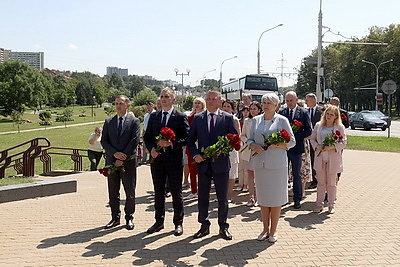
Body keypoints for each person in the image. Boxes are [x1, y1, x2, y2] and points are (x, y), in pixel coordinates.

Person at [187, 89, 238, 240]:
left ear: (220, 101)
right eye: (208, 98)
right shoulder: (198, 118)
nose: (210, 101)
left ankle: (223, 226)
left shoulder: (228, 118)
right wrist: (195, 154)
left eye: (213, 99)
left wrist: (222, 150)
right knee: (203, 197)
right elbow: (190, 139)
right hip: (203, 164)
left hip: (221, 164)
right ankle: (204, 225)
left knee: (222, 198)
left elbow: (234, 140)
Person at [248, 93, 295, 243]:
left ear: (276, 105)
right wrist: (253, 145)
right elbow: (249, 139)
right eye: (264, 102)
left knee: (275, 199)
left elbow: (291, 141)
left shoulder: (282, 120)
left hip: (277, 165)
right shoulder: (255, 120)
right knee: (263, 198)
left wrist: (277, 144)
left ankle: (273, 231)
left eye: (269, 103)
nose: (265, 105)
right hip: (260, 164)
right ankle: (264, 229)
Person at [144, 88, 189, 236]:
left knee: (176, 192)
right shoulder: (154, 116)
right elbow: (147, 136)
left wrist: (172, 144)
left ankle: (178, 223)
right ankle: (159, 222)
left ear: (173, 99)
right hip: (157, 161)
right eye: (162, 96)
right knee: (158, 192)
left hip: (174, 161)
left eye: (167, 96)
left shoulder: (180, 116)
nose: (163, 99)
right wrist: (151, 149)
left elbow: (187, 138)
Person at [101, 95, 141, 230]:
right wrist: (114, 154)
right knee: (113, 191)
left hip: (128, 162)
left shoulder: (134, 121)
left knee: (129, 191)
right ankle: (115, 217)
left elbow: (134, 140)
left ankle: (129, 217)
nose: (118, 106)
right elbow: (104, 141)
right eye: (116, 103)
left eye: (121, 103)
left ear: (127, 105)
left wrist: (122, 157)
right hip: (112, 162)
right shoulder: (109, 121)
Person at [310, 104, 346, 214]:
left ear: (336, 116)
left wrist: (333, 146)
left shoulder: (339, 127)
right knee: (321, 182)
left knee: (331, 183)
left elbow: (343, 142)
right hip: (320, 157)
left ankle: (331, 204)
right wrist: (317, 146)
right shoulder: (318, 126)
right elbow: (312, 139)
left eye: (331, 115)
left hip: (333, 158)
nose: (329, 116)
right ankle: (319, 204)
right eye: (327, 114)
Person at [278, 91, 312, 209]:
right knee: (283, 173)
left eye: (291, 100)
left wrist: (293, 138)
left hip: (297, 148)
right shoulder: (282, 113)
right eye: (287, 101)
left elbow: (308, 130)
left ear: (296, 100)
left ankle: (297, 199)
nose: (289, 103)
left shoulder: (303, 112)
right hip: (284, 148)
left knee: (297, 174)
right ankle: (282, 198)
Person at [183, 97, 206, 200]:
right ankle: (193, 191)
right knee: (192, 170)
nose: (197, 105)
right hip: (191, 148)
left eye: (199, 103)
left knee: (203, 171)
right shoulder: (190, 117)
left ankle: (203, 191)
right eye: (195, 103)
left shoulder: (206, 117)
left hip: (203, 147)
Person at [221, 99, 241, 203]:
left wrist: (231, 141)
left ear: (233, 109)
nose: (225, 108)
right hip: (220, 148)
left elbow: (238, 135)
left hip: (231, 149)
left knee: (231, 173)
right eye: (224, 106)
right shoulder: (219, 118)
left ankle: (229, 196)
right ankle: (221, 195)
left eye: (228, 106)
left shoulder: (234, 119)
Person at [243, 101, 262, 207]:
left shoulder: (263, 120)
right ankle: (251, 197)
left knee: (259, 175)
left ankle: (260, 197)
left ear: (259, 110)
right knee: (250, 174)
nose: (253, 111)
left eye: (255, 109)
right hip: (250, 150)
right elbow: (243, 135)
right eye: (251, 109)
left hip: (260, 150)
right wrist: (250, 142)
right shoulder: (247, 121)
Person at [305, 93, 323, 189]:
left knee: (318, 160)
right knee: (311, 159)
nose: (305, 102)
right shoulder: (306, 111)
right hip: (309, 140)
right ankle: (313, 179)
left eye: (307, 100)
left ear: (313, 100)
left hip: (318, 141)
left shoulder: (321, 111)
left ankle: (318, 180)